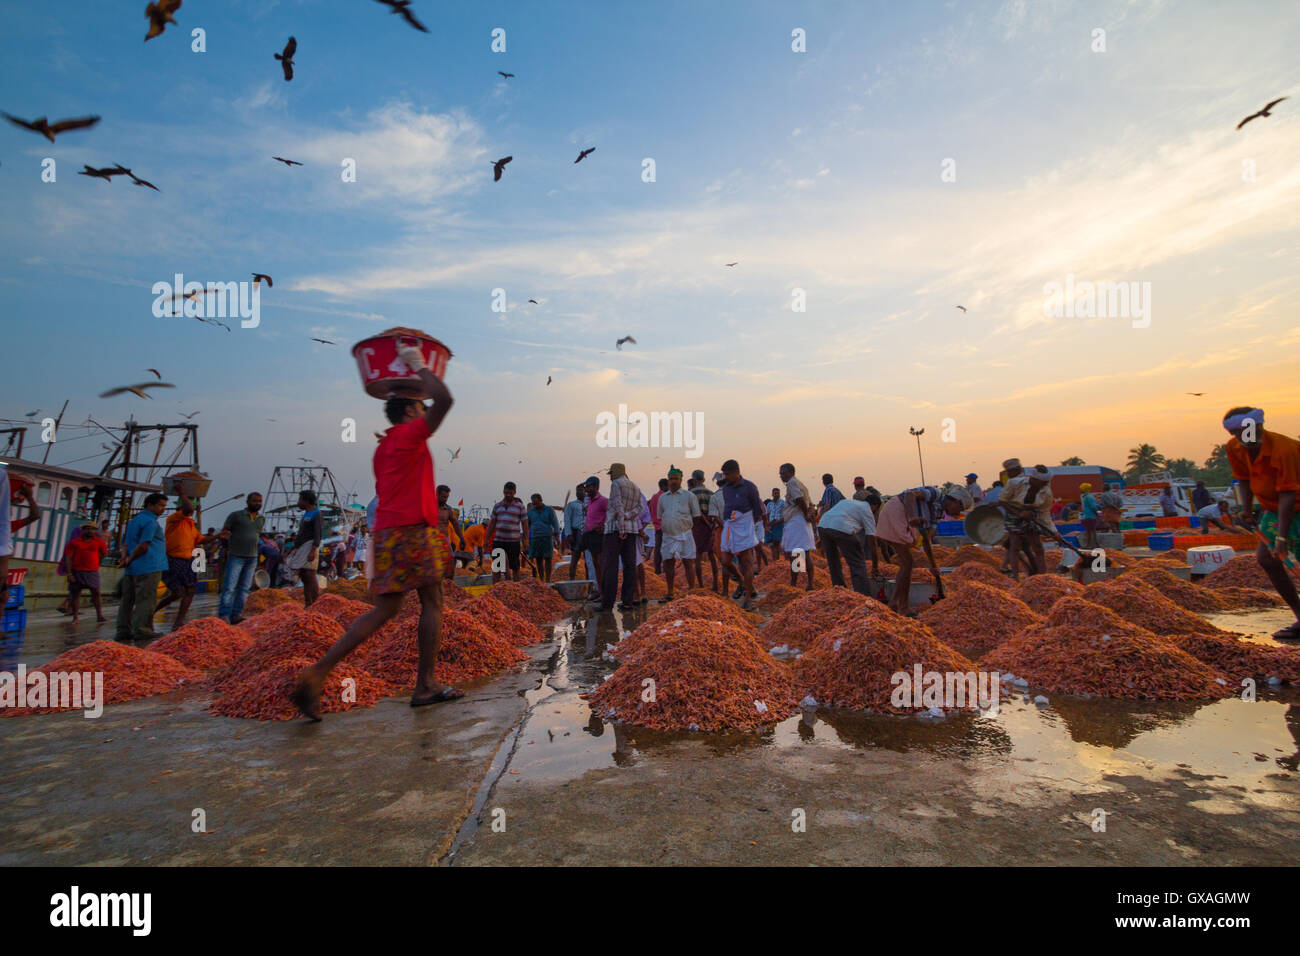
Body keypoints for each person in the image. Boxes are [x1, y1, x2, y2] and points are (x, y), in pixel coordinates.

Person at [292, 344, 461, 718]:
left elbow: (434, 407)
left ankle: (316, 673)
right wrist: (419, 367)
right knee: (432, 603)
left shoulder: (384, 448)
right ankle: (426, 684)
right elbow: (445, 400)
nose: (425, 412)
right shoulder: (409, 436)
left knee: (385, 609)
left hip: (384, 535)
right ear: (409, 412)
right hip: (414, 530)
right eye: (420, 408)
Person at [1221, 406, 1300, 640]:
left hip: (1294, 505)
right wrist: (1246, 509)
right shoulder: (1234, 449)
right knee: (1266, 559)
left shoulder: (1285, 450)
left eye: (1249, 431)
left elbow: (1289, 495)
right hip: (1274, 509)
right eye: (1238, 433)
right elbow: (1243, 479)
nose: (1245, 438)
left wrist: (1282, 539)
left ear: (1260, 426)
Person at [874, 484, 971, 615]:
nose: (958, 514)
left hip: (903, 518)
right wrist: (911, 516)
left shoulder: (937, 514)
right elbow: (909, 495)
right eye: (960, 509)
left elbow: (927, 540)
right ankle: (903, 607)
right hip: (896, 511)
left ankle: (894, 603)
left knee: (906, 563)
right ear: (956, 501)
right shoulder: (935, 494)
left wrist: (933, 565)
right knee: (907, 563)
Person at [154, 494, 217, 631]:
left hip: (188, 560)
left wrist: (218, 535)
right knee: (177, 593)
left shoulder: (190, 524)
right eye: (191, 507)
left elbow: (200, 539)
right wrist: (182, 492)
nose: (192, 510)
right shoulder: (174, 519)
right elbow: (188, 508)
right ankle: (152, 612)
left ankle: (178, 623)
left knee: (190, 590)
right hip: (173, 559)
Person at [115, 492, 169, 641]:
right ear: (149, 505)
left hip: (132, 569)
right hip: (148, 566)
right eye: (160, 505)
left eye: (164, 506)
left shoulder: (134, 521)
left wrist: (125, 558)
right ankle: (142, 630)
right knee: (146, 600)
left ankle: (123, 630)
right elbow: (144, 545)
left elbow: (125, 544)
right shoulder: (150, 522)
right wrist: (130, 558)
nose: (163, 509)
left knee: (127, 600)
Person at [715, 460, 766, 609]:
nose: (726, 477)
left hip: (745, 524)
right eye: (724, 474)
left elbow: (757, 510)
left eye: (728, 474)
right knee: (725, 560)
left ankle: (748, 598)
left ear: (736, 472)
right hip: (730, 525)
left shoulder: (749, 487)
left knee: (746, 561)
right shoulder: (726, 489)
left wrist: (749, 525)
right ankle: (743, 582)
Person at [1000, 465, 1055, 579]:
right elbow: (1002, 501)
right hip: (1013, 513)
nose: (1045, 485)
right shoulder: (1014, 483)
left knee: (1038, 547)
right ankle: (1015, 577)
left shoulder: (1046, 492)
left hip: (1032, 515)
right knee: (1015, 546)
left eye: (1046, 482)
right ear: (1033, 479)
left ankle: (1042, 577)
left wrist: (1054, 531)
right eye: (1042, 482)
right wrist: (1018, 514)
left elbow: (1044, 513)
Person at [817, 497, 879, 595]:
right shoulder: (867, 511)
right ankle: (862, 595)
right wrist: (875, 566)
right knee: (857, 563)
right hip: (842, 528)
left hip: (823, 526)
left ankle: (839, 591)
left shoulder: (847, 502)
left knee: (833, 562)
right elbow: (872, 541)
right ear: (874, 506)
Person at [600, 463, 642, 611]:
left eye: (611, 474)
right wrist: (628, 516)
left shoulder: (616, 484)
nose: (610, 477)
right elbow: (640, 508)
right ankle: (627, 601)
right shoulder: (635, 486)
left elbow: (618, 505)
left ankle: (607, 603)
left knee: (610, 567)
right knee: (629, 566)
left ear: (616, 472)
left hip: (616, 530)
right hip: (632, 531)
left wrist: (621, 526)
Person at [218, 492, 265, 624]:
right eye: (255, 501)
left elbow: (256, 535)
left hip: (252, 557)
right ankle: (224, 614)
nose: (257, 503)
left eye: (260, 501)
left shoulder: (261, 519)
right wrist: (227, 547)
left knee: (244, 588)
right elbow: (224, 532)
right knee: (230, 587)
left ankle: (237, 614)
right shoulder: (236, 516)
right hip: (236, 556)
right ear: (247, 502)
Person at [655, 465, 700, 601]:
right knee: (668, 562)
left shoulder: (689, 496)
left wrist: (686, 527)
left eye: (676, 479)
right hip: (668, 536)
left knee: (688, 562)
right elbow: (660, 515)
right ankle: (670, 592)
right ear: (668, 480)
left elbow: (696, 516)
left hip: (685, 534)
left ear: (681, 480)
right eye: (670, 479)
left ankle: (691, 591)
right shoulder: (663, 498)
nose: (673, 481)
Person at [778, 463, 817, 590]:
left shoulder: (791, 483)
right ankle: (805, 582)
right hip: (800, 521)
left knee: (797, 553)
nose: (781, 476)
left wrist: (806, 514)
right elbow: (810, 502)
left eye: (783, 473)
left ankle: (796, 584)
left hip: (797, 521)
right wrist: (809, 514)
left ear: (790, 472)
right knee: (802, 553)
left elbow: (800, 500)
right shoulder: (800, 484)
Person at [61, 523, 108, 625]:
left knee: (96, 593)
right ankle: (75, 617)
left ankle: (99, 615)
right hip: (76, 571)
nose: (89, 531)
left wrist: (95, 559)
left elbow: (104, 553)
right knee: (75, 594)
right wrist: (69, 573)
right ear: (82, 531)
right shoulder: (74, 543)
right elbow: (68, 558)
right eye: (86, 529)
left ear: (95, 531)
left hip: (92, 571)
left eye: (92, 529)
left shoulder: (99, 542)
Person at [284, 489, 323, 607]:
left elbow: (318, 534)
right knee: (304, 576)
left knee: (309, 574)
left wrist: (312, 551)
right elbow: (301, 534)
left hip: (310, 547)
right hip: (301, 547)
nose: (298, 502)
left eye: (300, 499)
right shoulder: (306, 514)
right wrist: (291, 549)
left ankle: (316, 603)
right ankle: (308, 603)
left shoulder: (317, 513)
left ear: (306, 500)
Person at [486, 482, 528, 583]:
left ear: (514, 492)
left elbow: (525, 524)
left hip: (513, 541)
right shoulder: (497, 506)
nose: (508, 495)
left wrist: (526, 540)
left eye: (510, 493)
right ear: (503, 492)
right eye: (506, 493)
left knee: (515, 567)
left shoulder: (520, 507)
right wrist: (487, 539)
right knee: (497, 567)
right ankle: (495, 588)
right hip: (499, 540)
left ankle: (516, 588)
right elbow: (492, 523)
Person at [687, 469, 719, 592]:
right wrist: (712, 525)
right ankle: (715, 583)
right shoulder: (711, 494)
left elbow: (695, 513)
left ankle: (700, 585)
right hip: (710, 524)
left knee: (698, 555)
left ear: (694, 480)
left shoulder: (691, 494)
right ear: (704, 479)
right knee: (711, 555)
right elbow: (714, 512)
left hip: (698, 525)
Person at [582, 477, 607, 600]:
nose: (587, 489)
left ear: (596, 487)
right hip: (590, 535)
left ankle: (605, 593)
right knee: (595, 564)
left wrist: (604, 526)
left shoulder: (603, 501)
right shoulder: (589, 501)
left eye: (589, 486)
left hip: (599, 536)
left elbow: (612, 515)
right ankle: (600, 591)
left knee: (601, 563)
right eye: (586, 487)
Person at [526, 492, 561, 582]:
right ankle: (541, 578)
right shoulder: (530, 512)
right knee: (538, 559)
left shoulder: (549, 510)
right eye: (533, 503)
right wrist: (526, 538)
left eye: (536, 503)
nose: (534, 505)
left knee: (548, 558)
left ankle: (548, 579)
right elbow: (527, 526)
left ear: (541, 501)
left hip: (547, 536)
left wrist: (557, 535)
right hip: (535, 537)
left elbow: (555, 523)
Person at [437, 486, 468, 579]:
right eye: (443, 497)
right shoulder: (429, 506)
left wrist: (461, 538)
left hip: (444, 540)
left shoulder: (448, 509)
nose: (445, 499)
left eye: (447, 497)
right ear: (436, 494)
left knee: (451, 561)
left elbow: (455, 523)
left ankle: (449, 583)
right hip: (431, 539)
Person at [564, 484, 588, 581]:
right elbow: (567, 520)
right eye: (577, 491)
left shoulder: (589, 504)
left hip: (587, 533)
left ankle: (589, 580)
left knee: (588, 560)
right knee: (575, 558)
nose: (578, 493)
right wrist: (569, 534)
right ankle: (572, 580)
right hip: (576, 533)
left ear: (585, 491)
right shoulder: (571, 505)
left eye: (581, 490)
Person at [648, 477, 668, 575]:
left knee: (657, 549)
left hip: (656, 526)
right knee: (666, 550)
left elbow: (651, 511)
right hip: (665, 526)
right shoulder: (665, 496)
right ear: (664, 486)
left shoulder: (654, 497)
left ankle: (657, 570)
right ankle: (666, 570)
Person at [765, 487, 786, 561]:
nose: (777, 494)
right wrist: (768, 523)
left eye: (778, 493)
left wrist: (779, 521)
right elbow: (767, 514)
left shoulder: (783, 503)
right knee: (772, 545)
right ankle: (775, 561)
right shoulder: (769, 504)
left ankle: (778, 560)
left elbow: (785, 515)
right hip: (771, 525)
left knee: (777, 543)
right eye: (775, 493)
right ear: (772, 494)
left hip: (779, 524)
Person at [1079, 482, 1101, 550]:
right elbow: (1093, 507)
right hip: (1089, 516)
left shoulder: (1087, 497)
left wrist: (1096, 514)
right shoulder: (1087, 496)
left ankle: (1091, 544)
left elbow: (1092, 507)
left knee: (1090, 531)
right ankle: (1095, 544)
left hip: (1089, 516)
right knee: (1092, 531)